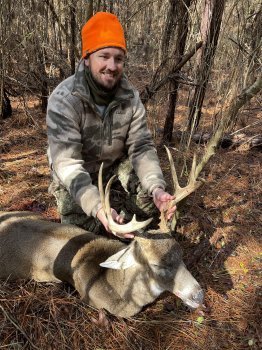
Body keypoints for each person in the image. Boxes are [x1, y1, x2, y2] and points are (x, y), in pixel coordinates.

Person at [46, 12, 176, 239]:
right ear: (87, 58)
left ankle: (128, 214)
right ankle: (107, 216)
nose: (112, 66)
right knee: (82, 235)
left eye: (118, 58)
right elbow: (67, 164)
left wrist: (157, 189)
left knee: (151, 211)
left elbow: (141, 147)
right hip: (78, 174)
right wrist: (98, 207)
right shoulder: (64, 99)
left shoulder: (130, 97)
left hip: (115, 167)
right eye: (104, 56)